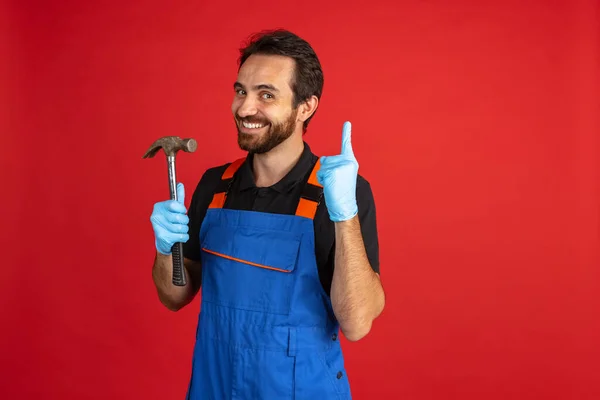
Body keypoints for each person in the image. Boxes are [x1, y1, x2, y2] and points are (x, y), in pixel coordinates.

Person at [149, 29, 385, 400]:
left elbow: (356, 324)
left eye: (266, 95)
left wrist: (345, 216)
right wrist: (166, 249)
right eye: (241, 91)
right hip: (214, 389)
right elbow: (173, 297)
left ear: (305, 106)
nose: (244, 109)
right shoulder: (215, 186)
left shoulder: (340, 192)